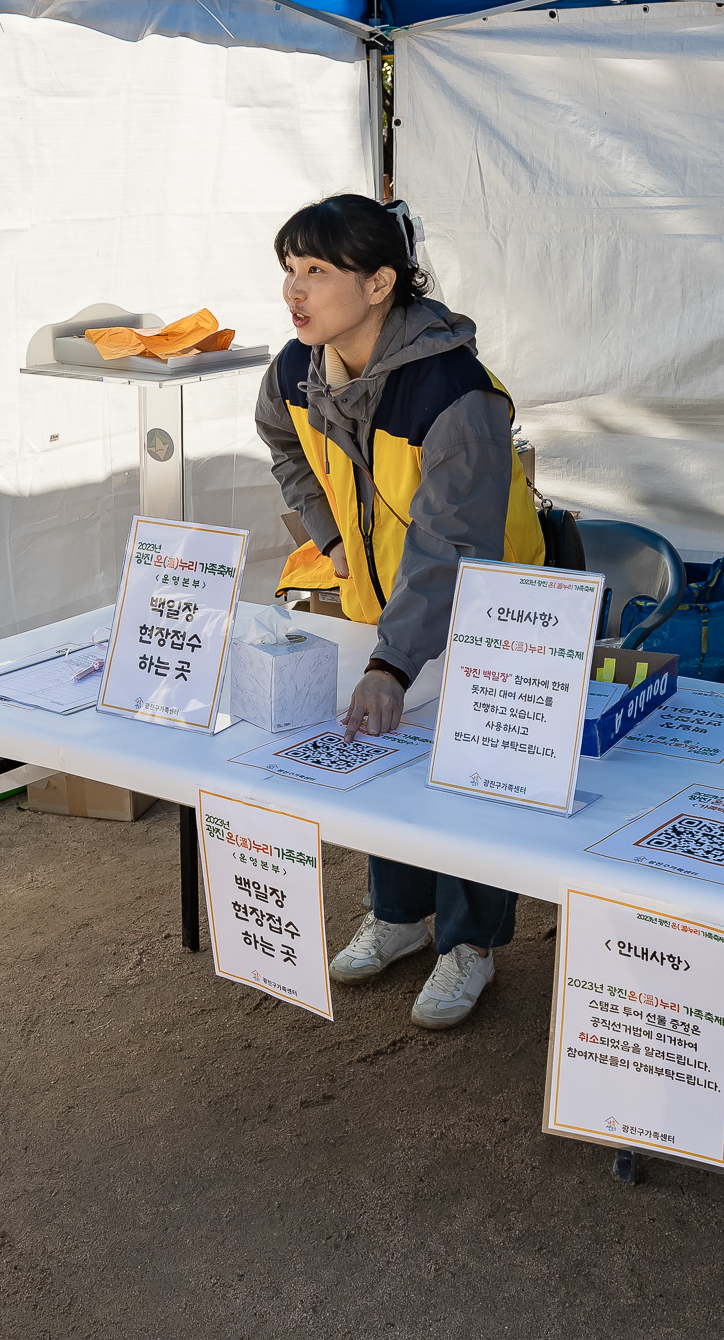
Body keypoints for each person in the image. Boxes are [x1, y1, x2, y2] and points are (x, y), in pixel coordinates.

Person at [253, 194, 546, 1030]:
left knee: (471, 781)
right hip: (378, 609)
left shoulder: (459, 392)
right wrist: (329, 538)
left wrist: (391, 662)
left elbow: (452, 543)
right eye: (288, 269)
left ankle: (470, 944)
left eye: (316, 270)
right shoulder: (295, 370)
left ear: (380, 283)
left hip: (496, 612)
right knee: (385, 767)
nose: (293, 290)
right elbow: (281, 442)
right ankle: (397, 916)